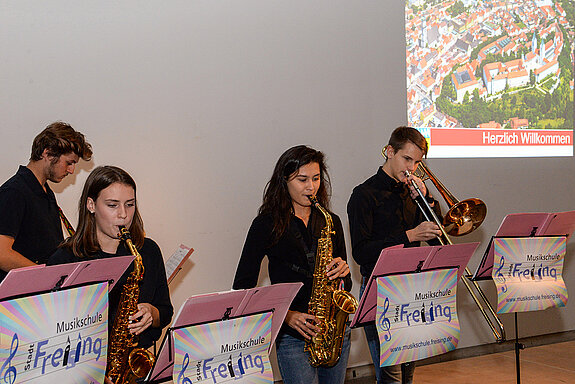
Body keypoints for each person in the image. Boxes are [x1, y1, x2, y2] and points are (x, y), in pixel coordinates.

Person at [233, 145, 352, 384]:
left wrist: (343, 272)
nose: (311, 187)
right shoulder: (266, 225)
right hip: (293, 336)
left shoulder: (330, 221)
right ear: (284, 180)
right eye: (302, 179)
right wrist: (286, 316)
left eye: (316, 178)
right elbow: (243, 287)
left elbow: (346, 285)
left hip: (334, 331)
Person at [48, 166, 173, 381]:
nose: (123, 214)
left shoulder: (148, 251)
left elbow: (165, 311)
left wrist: (151, 314)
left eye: (130, 204)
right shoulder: (66, 260)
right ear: (91, 205)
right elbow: (49, 333)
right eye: (112, 205)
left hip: (132, 371)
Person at [347, 126, 442, 384]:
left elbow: (438, 237)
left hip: (412, 288)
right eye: (406, 159)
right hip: (380, 291)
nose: (411, 168)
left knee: (407, 374)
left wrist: (428, 200)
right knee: (391, 377)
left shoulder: (413, 192)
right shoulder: (363, 195)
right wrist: (409, 236)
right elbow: (361, 252)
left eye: (417, 162)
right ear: (390, 152)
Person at [0, 121, 92, 281]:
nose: (71, 170)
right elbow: (2, 254)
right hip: (19, 299)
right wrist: (47, 276)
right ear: (48, 153)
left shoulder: (45, 191)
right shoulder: (14, 192)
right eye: (69, 163)